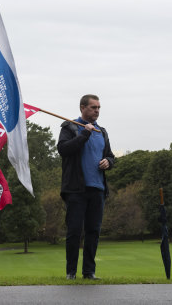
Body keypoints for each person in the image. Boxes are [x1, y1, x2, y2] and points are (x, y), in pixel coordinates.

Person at [57, 94, 115, 280]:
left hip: (97, 189)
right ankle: (71, 273)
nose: (97, 111)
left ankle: (89, 272)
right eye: (93, 107)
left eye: (98, 108)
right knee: (74, 231)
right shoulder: (70, 126)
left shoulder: (102, 132)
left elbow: (111, 156)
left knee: (93, 231)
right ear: (82, 108)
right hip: (76, 189)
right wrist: (85, 133)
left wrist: (109, 162)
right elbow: (64, 150)